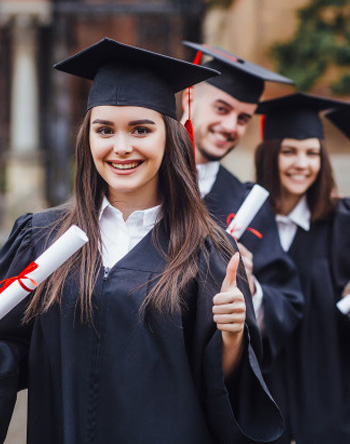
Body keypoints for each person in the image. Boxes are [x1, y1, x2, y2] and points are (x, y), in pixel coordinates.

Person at [0, 38, 283, 444]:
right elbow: (9, 348)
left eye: (140, 129)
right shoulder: (42, 239)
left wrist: (235, 333)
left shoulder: (209, 251)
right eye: (105, 130)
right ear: (88, 138)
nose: (121, 147)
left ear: (168, 138)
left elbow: (224, 387)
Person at [180, 42, 303, 372]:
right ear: (189, 98)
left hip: (209, 379)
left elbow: (286, 305)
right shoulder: (141, 181)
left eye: (243, 117)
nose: (231, 126)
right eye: (222, 109)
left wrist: (251, 289)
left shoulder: (248, 203)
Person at [254, 92, 350, 444]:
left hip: (328, 410)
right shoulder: (244, 223)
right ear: (270, 153)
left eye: (312, 153)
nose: (302, 164)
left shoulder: (341, 225)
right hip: (264, 407)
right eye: (289, 151)